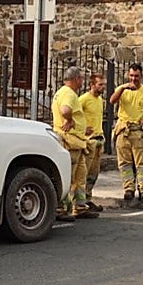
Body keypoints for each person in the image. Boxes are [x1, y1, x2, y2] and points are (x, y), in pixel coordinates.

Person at [110, 64, 143, 209]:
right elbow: (112, 101)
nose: (134, 79)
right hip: (123, 130)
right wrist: (122, 89)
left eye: (136, 76)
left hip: (138, 132)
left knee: (141, 165)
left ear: (141, 76)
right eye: (131, 76)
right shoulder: (122, 89)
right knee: (125, 164)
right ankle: (128, 189)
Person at [51, 66, 95, 221]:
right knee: (68, 177)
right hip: (70, 142)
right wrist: (69, 120)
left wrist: (82, 128)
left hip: (77, 142)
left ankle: (80, 206)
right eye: (82, 78)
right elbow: (65, 110)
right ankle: (60, 208)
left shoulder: (61, 92)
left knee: (80, 177)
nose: (83, 81)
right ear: (77, 79)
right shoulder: (69, 94)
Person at [78, 72, 107, 213]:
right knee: (84, 173)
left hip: (98, 140)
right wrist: (83, 129)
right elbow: (74, 115)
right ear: (92, 85)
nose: (103, 87)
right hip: (89, 141)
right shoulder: (83, 99)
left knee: (93, 174)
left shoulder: (100, 101)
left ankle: (88, 198)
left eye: (103, 85)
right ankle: (80, 201)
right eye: (100, 85)